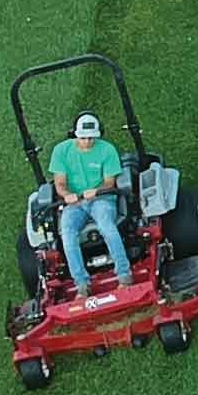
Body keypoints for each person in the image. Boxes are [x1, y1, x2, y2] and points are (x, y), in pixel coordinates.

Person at [45, 112, 132, 297]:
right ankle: (82, 284)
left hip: (101, 199)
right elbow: (59, 183)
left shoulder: (107, 150)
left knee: (107, 227)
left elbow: (109, 182)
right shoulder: (61, 151)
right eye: (83, 138)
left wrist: (98, 191)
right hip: (74, 203)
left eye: (92, 138)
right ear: (75, 134)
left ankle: (124, 275)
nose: (87, 142)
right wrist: (67, 195)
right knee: (67, 235)